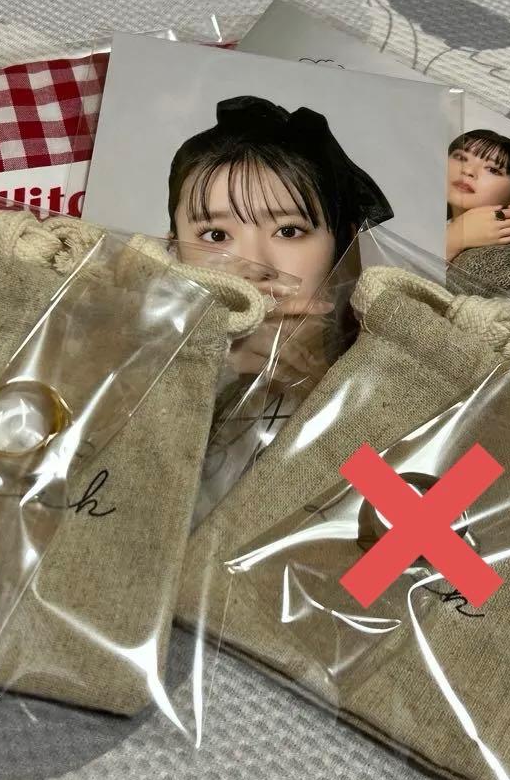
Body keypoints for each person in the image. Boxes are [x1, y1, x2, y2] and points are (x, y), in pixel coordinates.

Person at [165, 94, 394, 522]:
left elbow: (405, 530)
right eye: (216, 235)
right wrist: (209, 380)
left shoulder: (398, 375)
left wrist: (317, 392)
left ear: (343, 245)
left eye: (289, 230)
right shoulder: (121, 364)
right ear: (173, 248)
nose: (256, 267)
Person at [444, 129, 510, 314]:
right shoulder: (418, 224)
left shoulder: (504, 263)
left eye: (493, 169)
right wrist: (454, 238)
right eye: (461, 157)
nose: (468, 171)